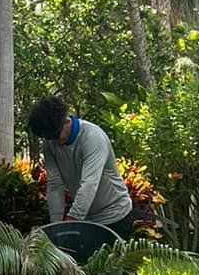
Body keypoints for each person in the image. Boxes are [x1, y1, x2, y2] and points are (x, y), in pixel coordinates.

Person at [27, 93, 134, 237]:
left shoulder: (93, 138)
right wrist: (56, 226)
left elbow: (89, 183)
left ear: (66, 121)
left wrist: (72, 220)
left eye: (56, 135)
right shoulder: (50, 141)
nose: (54, 141)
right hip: (87, 219)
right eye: (48, 137)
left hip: (115, 216)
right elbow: (55, 184)